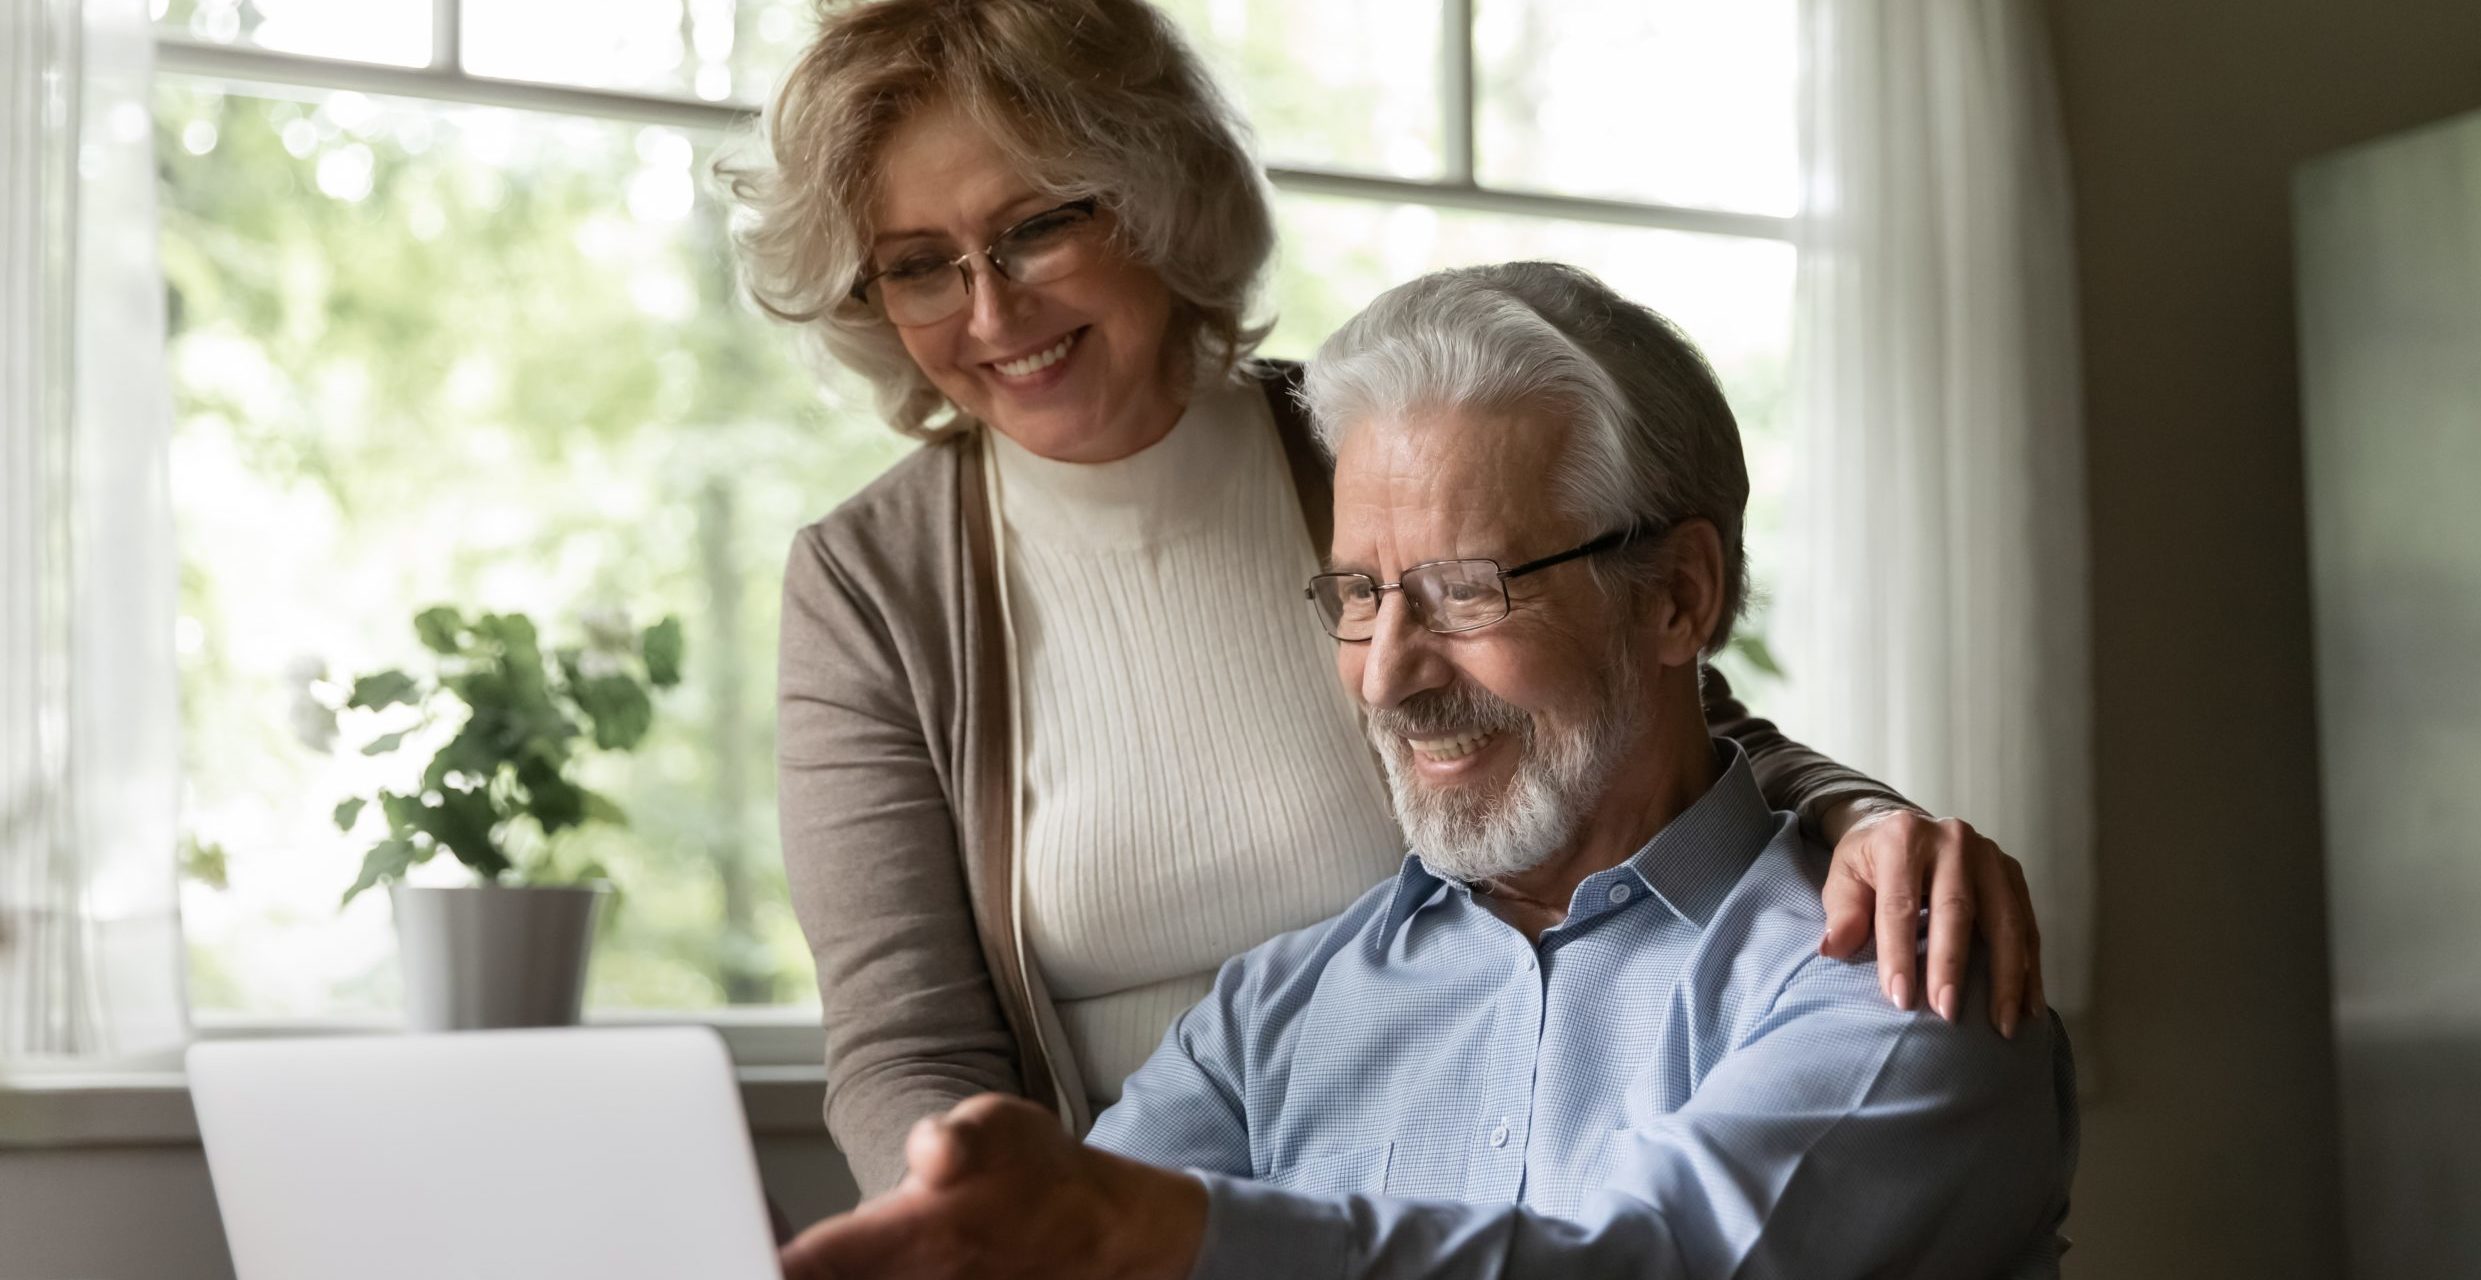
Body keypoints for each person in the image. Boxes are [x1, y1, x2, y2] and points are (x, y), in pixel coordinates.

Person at [726, 0, 2046, 1198]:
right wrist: (998, 1225)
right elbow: (909, 1028)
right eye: (917, 264)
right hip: (1131, 1197)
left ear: (1150, 195)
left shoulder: (1376, 445)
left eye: (1035, 228)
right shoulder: (872, 582)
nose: (990, 307)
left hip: (1486, 1173)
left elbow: (1644, 684)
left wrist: (1864, 816)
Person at [774, 262, 2077, 1280]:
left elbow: (1655, 1268)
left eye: (1463, 592)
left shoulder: (1903, 980)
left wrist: (1166, 1245)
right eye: (1357, 594)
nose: (1391, 673)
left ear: (1678, 598)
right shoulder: (1274, 1013)